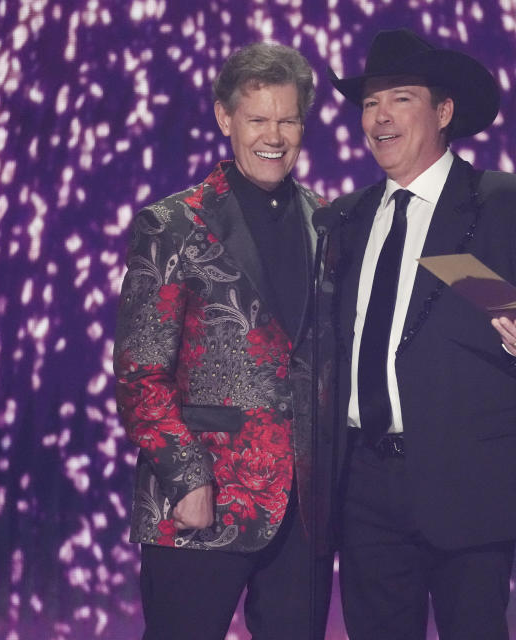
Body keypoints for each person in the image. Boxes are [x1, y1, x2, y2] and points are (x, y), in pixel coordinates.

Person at [326, 28, 516, 639]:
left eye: (400, 98)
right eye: (369, 103)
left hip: (468, 479)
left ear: (444, 112)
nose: (380, 117)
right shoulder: (343, 217)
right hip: (364, 485)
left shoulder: (502, 203)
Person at [113, 42, 332, 640]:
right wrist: (186, 478)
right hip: (200, 496)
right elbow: (140, 374)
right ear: (225, 118)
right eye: (259, 118)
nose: (275, 135)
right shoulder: (173, 224)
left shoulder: (327, 222)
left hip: (301, 509)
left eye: (288, 119)